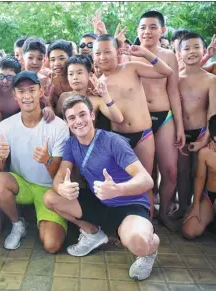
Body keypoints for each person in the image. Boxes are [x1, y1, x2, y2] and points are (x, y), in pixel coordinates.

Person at [43, 95, 158, 281]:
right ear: (67, 122)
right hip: (99, 201)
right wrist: (61, 188)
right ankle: (93, 234)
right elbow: (59, 177)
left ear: (92, 115)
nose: (78, 121)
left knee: (139, 243)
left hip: (128, 206)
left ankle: (150, 249)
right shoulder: (71, 145)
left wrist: (118, 189)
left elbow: (147, 181)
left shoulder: (113, 141)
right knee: (50, 197)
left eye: (82, 115)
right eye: (72, 118)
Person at [92, 34, 173, 218]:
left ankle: (148, 224)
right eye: (98, 53)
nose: (102, 57)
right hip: (118, 138)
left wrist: (145, 53)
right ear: (93, 56)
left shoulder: (131, 67)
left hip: (142, 135)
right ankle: (123, 222)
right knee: (121, 182)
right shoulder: (97, 82)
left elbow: (166, 72)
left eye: (107, 52)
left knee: (146, 183)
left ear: (117, 52)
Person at [0, 71, 70, 253]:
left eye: (31, 90)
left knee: (52, 245)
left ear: (40, 92)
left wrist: (46, 160)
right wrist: (0, 157)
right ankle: (17, 224)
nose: (27, 96)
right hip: (22, 184)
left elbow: (58, 173)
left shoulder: (58, 126)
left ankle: (48, 218)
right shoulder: (6, 125)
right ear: (14, 95)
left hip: (49, 189)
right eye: (21, 91)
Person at [130, 11, 185, 230]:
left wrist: (179, 125)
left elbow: (174, 92)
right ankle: (146, 214)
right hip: (139, 118)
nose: (147, 31)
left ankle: (164, 213)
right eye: (143, 27)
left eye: (153, 27)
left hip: (165, 117)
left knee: (170, 171)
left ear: (162, 30)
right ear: (137, 31)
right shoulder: (129, 55)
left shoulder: (169, 56)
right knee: (145, 173)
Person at [177, 32, 216, 219]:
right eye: (186, 48)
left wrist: (206, 138)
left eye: (196, 47)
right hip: (180, 132)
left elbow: (213, 113)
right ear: (179, 52)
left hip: (201, 132)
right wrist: (177, 131)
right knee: (181, 171)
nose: (191, 51)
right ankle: (182, 206)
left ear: (204, 50)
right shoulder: (175, 78)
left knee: (197, 172)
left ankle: (196, 207)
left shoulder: (210, 80)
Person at [57, 56, 123, 126]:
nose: (75, 77)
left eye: (79, 73)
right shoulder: (64, 97)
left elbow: (118, 119)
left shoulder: (96, 100)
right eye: (71, 74)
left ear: (89, 75)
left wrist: (105, 95)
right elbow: (56, 119)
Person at [182, 115, 216, 239]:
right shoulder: (206, 153)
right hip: (210, 197)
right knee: (189, 231)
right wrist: (196, 206)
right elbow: (200, 178)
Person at [47, 40, 73, 106]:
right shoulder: (50, 82)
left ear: (70, 58)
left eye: (61, 59)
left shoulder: (82, 78)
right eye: (52, 60)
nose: (56, 63)